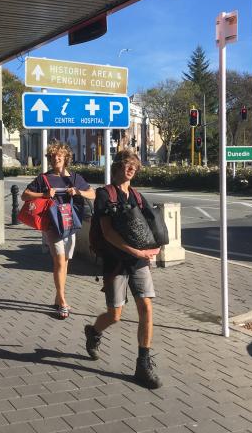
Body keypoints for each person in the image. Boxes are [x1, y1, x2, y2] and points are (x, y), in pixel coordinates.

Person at [84, 149, 162, 389]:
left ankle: (143, 363)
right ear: (118, 166)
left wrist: (155, 247)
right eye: (128, 165)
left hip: (138, 262)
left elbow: (152, 225)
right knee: (115, 316)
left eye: (135, 167)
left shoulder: (137, 196)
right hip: (116, 261)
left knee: (146, 308)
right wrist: (134, 251)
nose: (131, 169)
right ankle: (94, 332)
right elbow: (107, 233)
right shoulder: (104, 195)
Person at [21, 141, 95, 320]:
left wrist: (77, 192)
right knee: (60, 261)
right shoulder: (44, 178)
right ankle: (62, 300)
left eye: (59, 156)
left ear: (66, 158)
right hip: (52, 225)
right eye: (53, 156)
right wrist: (44, 195)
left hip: (70, 224)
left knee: (66, 261)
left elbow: (92, 194)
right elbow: (24, 195)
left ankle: (57, 295)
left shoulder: (75, 178)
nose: (56, 159)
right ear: (50, 159)